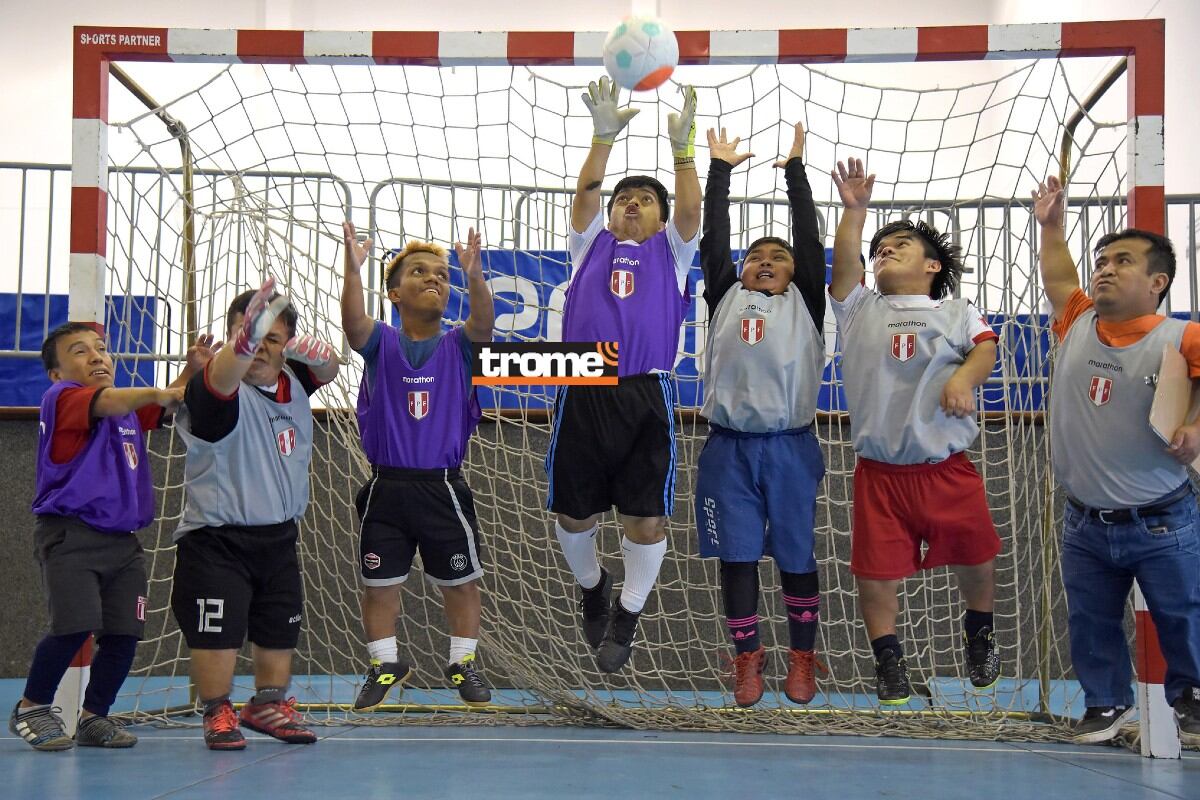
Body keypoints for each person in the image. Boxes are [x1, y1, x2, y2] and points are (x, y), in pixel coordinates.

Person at [1032, 175, 1200, 745]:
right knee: (1091, 620)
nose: (1104, 268)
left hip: (1161, 519)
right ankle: (1106, 702)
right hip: (1084, 520)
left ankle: (1192, 697)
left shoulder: (1183, 337)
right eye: (1101, 259)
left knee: (1182, 614)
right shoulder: (1077, 321)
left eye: (1121, 260)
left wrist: (1196, 428)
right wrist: (1051, 225)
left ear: (1159, 282)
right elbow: (1059, 275)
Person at [829, 158, 1002, 705]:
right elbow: (843, 266)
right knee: (873, 573)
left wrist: (966, 381)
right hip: (880, 472)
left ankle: (979, 633)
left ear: (932, 266)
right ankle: (889, 661)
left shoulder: (955, 310)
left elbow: (986, 346)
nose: (886, 252)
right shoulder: (858, 309)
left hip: (944, 466)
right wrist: (854, 213)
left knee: (977, 556)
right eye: (880, 248)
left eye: (900, 245)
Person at [547, 76, 700, 673]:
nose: (629, 204)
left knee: (646, 517)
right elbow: (585, 197)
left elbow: (690, 209)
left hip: (645, 388)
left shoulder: (673, 251)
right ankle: (592, 586)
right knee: (572, 514)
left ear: (660, 218)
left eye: (644, 199)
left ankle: (629, 612)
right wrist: (602, 139)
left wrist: (683, 153)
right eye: (623, 199)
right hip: (584, 380)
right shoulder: (589, 246)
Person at [9, 324, 200, 750]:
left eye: (101, 349)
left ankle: (96, 715)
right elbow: (122, 400)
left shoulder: (124, 410)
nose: (97, 357)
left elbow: (157, 409)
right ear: (57, 374)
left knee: (124, 633)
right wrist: (158, 392)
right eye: (80, 352)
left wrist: (189, 373)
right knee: (74, 626)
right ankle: (32, 706)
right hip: (71, 536)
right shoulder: (61, 399)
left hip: (123, 543)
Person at [170, 278, 339, 750]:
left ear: (287, 349)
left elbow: (330, 366)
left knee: (277, 628)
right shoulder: (215, 393)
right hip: (217, 540)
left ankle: (267, 705)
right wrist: (244, 339)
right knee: (218, 635)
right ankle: (217, 710)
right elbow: (225, 374)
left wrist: (308, 345)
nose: (259, 349)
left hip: (279, 537)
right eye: (248, 337)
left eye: (272, 340)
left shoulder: (294, 383)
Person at [694, 123, 827, 707]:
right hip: (728, 448)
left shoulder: (808, 303)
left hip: (791, 446)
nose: (766, 261)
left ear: (797, 271)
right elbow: (714, 238)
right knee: (738, 557)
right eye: (757, 256)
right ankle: (747, 658)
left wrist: (795, 171)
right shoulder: (724, 294)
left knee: (797, 556)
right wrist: (719, 170)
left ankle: (803, 657)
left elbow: (810, 239)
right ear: (740, 270)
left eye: (779, 257)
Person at [340, 222, 495, 709]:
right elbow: (352, 324)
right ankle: (385, 662)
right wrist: (351, 267)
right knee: (379, 585)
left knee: (461, 582)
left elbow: (484, 324)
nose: (434, 279)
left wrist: (473, 275)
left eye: (442, 275)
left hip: (441, 487)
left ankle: (462, 663)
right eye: (420, 272)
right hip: (387, 488)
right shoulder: (381, 343)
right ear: (394, 292)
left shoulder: (459, 346)